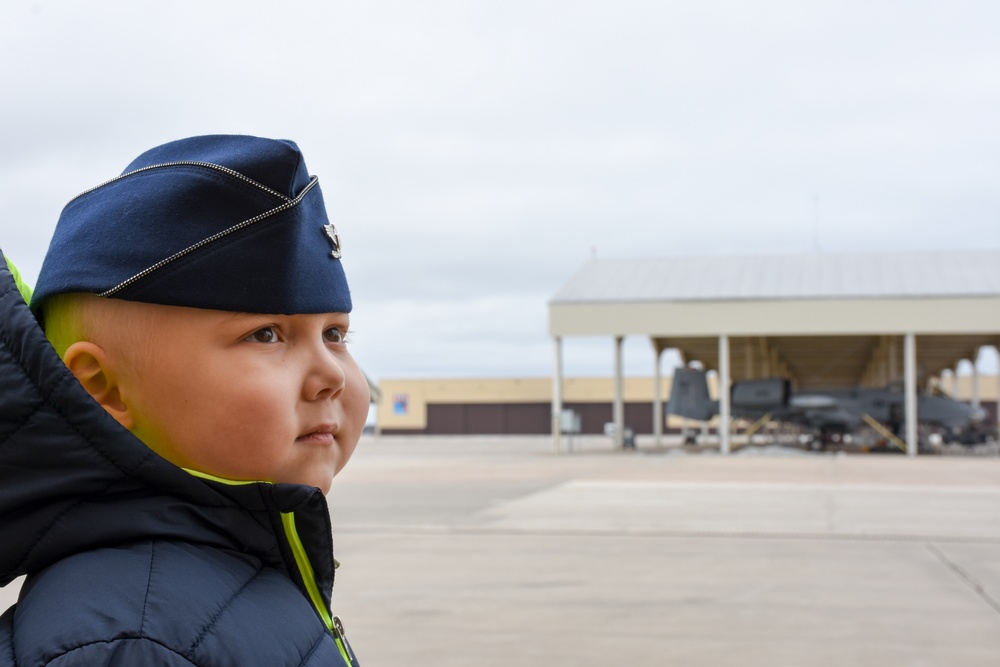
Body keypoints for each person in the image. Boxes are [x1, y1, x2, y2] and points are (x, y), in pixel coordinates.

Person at [0, 135, 369, 666]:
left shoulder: (228, 573)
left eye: (335, 334)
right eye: (266, 335)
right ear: (100, 385)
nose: (331, 375)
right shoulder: (134, 640)